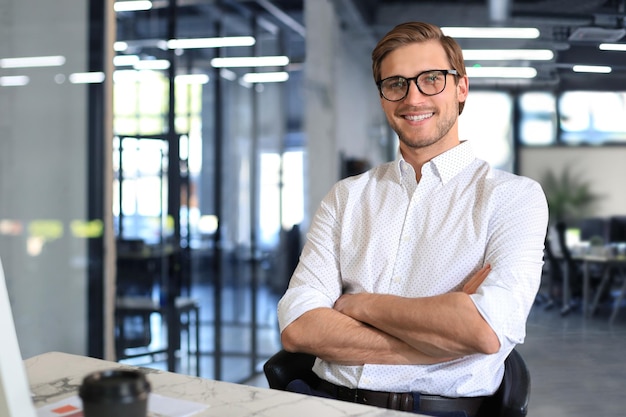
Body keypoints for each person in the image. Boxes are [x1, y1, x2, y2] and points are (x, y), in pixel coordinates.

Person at [277, 21, 548, 417]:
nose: (413, 97)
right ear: (384, 97)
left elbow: (484, 331)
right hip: (329, 403)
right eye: (396, 84)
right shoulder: (346, 197)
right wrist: (441, 337)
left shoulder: (512, 198)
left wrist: (358, 305)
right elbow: (299, 326)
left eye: (431, 79)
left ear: (461, 88)